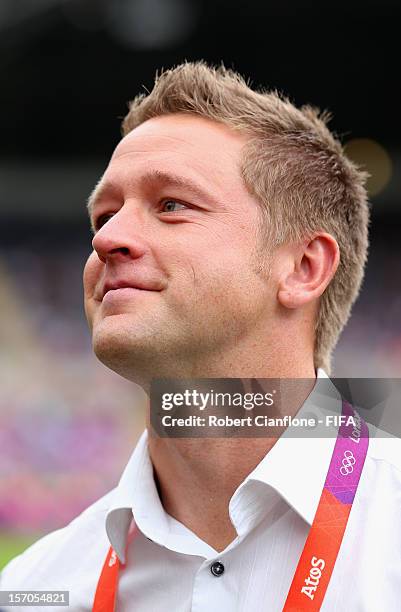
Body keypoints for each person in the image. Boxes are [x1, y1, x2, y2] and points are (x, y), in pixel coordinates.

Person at [1, 61, 400, 611]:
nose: (107, 238)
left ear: (304, 267)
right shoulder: (30, 590)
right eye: (104, 215)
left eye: (172, 205)